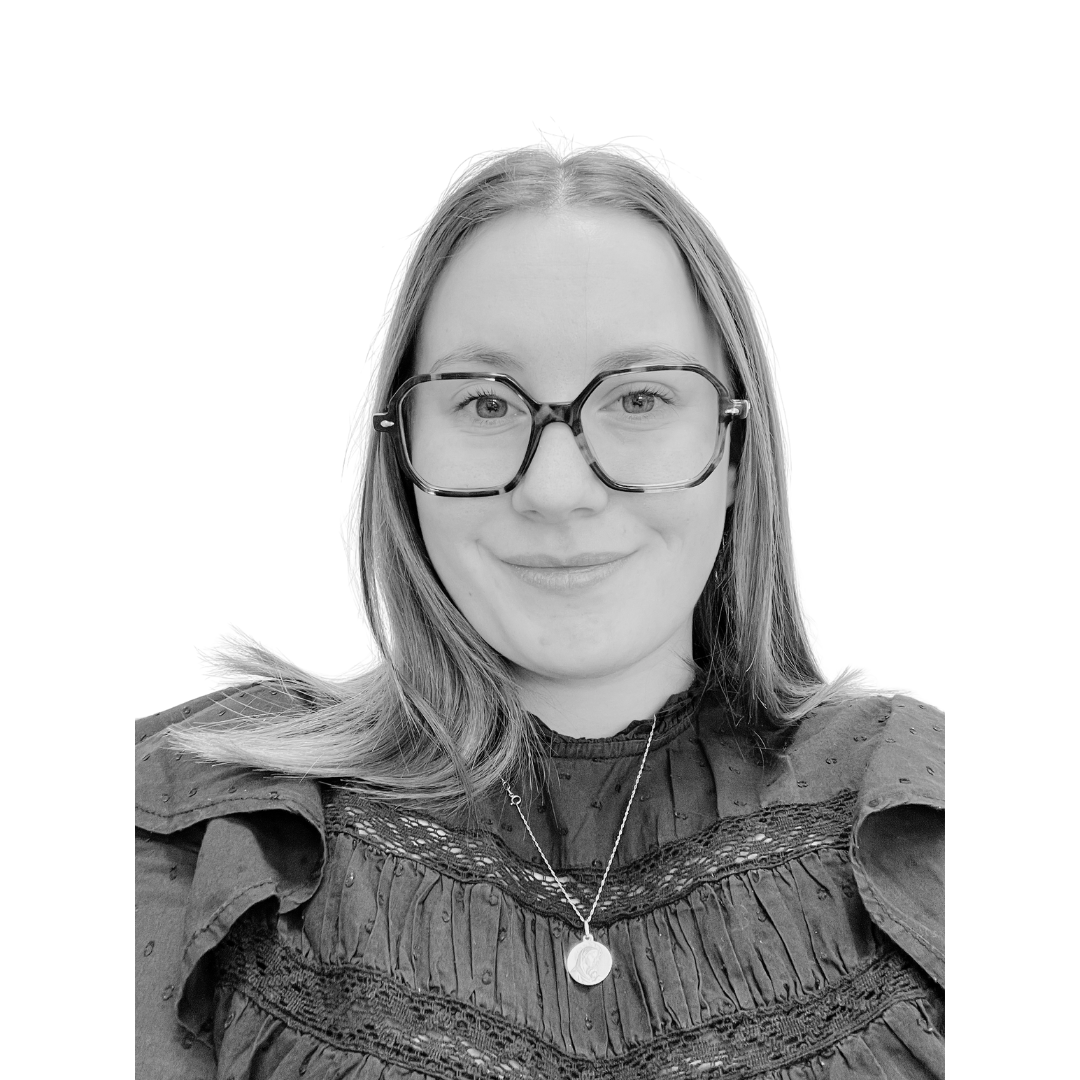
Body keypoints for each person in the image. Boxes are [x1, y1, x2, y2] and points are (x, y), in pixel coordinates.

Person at [135, 146, 944, 1079]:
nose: (557, 490)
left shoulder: (932, 815)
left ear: (733, 448)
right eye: (485, 404)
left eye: (640, 397)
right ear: (402, 452)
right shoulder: (196, 828)